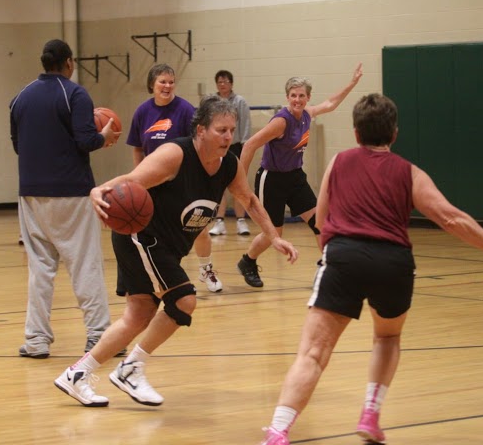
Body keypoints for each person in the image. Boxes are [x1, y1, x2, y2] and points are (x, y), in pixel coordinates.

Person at [258, 93, 483, 445]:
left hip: (344, 256)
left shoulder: (340, 162)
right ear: (394, 133)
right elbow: (450, 217)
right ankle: (370, 416)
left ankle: (278, 433)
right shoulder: (409, 172)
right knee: (388, 336)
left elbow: (323, 218)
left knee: (314, 353)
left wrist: (333, 257)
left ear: (356, 132)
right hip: (394, 263)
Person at [54, 95, 299, 408]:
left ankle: (76, 374)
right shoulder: (174, 155)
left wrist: (272, 237)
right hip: (142, 237)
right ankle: (131, 368)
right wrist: (99, 188)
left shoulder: (229, 166)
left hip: (166, 246)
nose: (228, 137)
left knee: (138, 316)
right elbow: (131, 181)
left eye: (231, 131)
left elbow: (248, 199)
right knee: (184, 300)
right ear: (200, 130)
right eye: (221, 130)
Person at [9, 39, 120, 359]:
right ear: (69, 62)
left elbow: (18, 146)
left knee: (40, 268)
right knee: (85, 265)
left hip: (30, 194)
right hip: (71, 192)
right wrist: (105, 136)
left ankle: (36, 340)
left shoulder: (20, 98)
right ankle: (100, 336)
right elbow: (86, 141)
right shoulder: (75, 93)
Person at [237, 64, 363, 287]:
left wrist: (352, 83)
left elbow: (331, 103)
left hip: (295, 178)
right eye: (293, 95)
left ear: (308, 97)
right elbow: (249, 146)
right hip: (272, 179)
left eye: (301, 95)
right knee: (272, 233)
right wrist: (240, 182)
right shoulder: (280, 122)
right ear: (287, 97)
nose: (297, 99)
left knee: (319, 222)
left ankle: (326, 267)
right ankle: (248, 261)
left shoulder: (307, 114)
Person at [123, 63, 224, 292]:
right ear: (152, 84)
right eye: (162, 82)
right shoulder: (142, 112)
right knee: (160, 232)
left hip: (183, 179)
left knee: (197, 229)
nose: (167, 86)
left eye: (171, 82)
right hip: (155, 181)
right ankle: (172, 277)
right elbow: (138, 147)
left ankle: (205, 268)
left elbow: (200, 145)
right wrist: (140, 176)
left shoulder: (187, 110)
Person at [208, 70, 252, 236]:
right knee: (218, 184)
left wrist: (245, 146)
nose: (223, 84)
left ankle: (241, 220)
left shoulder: (239, 101)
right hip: (216, 147)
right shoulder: (213, 102)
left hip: (235, 147)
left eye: (225, 81)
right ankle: (219, 221)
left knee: (238, 184)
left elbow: (246, 123)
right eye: (219, 82)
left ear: (231, 84)